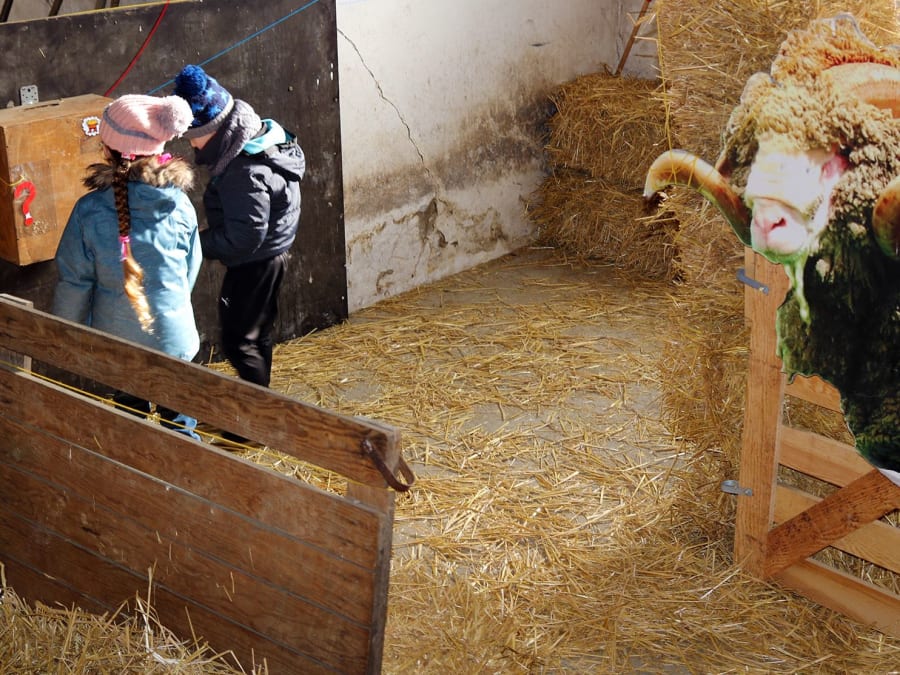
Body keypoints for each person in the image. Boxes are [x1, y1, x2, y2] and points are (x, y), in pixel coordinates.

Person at [51, 94, 202, 439]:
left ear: (107, 149)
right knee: (179, 425)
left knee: (129, 428)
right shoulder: (180, 205)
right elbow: (190, 269)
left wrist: (65, 337)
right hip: (173, 340)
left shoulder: (89, 210)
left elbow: (74, 282)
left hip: (118, 341)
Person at [172, 64, 306, 392]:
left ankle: (253, 420)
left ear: (215, 129)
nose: (192, 147)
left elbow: (244, 236)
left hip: (255, 262)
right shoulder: (256, 138)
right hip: (271, 254)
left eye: (194, 138)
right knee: (256, 334)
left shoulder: (242, 172)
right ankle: (261, 401)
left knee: (238, 342)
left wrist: (194, 244)